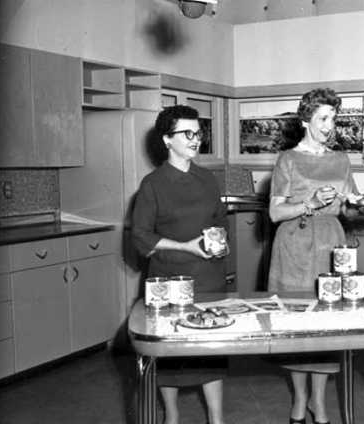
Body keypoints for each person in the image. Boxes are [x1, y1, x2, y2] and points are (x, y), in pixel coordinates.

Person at [131, 105, 228, 424]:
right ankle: (171, 416)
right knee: (172, 356)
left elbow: (219, 220)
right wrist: (186, 246)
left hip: (209, 279)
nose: (196, 139)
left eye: (198, 132)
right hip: (170, 282)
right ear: (167, 140)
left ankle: (216, 418)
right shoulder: (152, 184)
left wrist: (219, 242)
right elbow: (141, 237)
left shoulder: (208, 179)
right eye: (187, 133)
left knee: (211, 353)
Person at [268, 88, 358, 424]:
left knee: (327, 322)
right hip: (294, 243)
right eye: (323, 118)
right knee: (297, 322)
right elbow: (275, 213)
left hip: (331, 244)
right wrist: (311, 203)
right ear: (306, 120)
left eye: (333, 118)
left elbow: (350, 205)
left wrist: (356, 204)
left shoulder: (340, 159)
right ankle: (299, 398)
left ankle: (318, 402)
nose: (329, 125)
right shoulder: (287, 160)